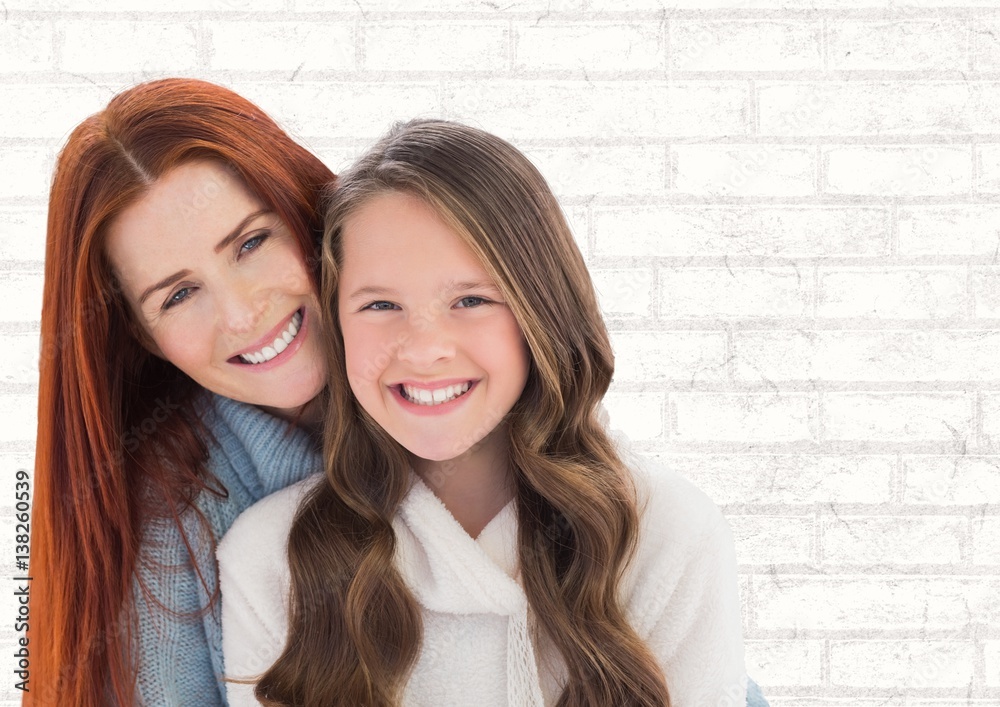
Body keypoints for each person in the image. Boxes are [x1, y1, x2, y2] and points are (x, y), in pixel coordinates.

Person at [219, 119, 759, 706]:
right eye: (379, 304)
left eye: (471, 300)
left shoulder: (666, 533)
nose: (424, 348)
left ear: (539, 311)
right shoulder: (272, 560)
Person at [28, 78, 333, 706]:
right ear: (144, 339)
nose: (243, 314)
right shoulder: (170, 533)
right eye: (179, 295)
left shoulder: (449, 382)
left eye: (251, 243)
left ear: (303, 208)